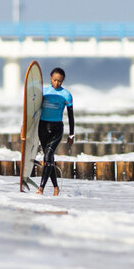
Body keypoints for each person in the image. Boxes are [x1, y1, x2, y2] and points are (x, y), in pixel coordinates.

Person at [37, 67, 75, 196]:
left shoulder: (66, 95)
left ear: (63, 81)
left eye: (60, 81)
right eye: (54, 80)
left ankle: (41, 188)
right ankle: (56, 188)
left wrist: (71, 134)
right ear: (50, 78)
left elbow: (71, 116)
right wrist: (24, 126)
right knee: (49, 159)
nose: (57, 83)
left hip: (57, 128)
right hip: (42, 127)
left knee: (47, 156)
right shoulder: (43, 92)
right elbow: (32, 111)